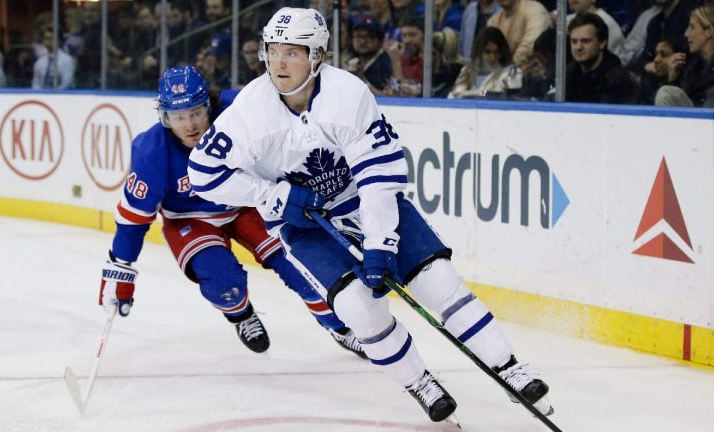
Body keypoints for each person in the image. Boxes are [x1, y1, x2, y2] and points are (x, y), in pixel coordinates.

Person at [187, 7, 553, 424]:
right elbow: (203, 174)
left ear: (318, 56)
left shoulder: (348, 94)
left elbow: (377, 176)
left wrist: (380, 243)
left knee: (439, 283)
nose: (280, 63)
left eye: (293, 52)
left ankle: (509, 368)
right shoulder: (250, 112)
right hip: (304, 224)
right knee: (359, 310)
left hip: (363, 200)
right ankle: (418, 381)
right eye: (273, 51)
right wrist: (274, 196)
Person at [99, 64, 366, 358]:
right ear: (164, 117)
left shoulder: (238, 111)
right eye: (178, 117)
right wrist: (120, 272)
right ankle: (241, 314)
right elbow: (133, 221)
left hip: (245, 206)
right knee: (224, 282)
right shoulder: (151, 153)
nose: (190, 125)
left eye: (196, 112)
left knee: (299, 266)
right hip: (190, 221)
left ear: (209, 105)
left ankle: (339, 328)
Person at [566, 12, 638, 103]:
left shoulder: (618, 80)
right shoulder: (568, 74)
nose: (578, 47)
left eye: (585, 41)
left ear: (602, 43)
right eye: (574, 41)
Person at [655, 5, 714, 107]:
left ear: (708, 31)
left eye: (692, 27)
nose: (686, 34)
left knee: (666, 93)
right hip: (696, 120)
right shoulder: (693, 65)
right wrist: (673, 78)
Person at [447, 26, 523, 98]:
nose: (492, 57)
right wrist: (462, 89)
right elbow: (455, 94)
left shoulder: (512, 73)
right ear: (479, 52)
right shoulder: (468, 71)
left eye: (497, 52)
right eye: (487, 52)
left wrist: (472, 93)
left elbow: (497, 95)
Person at [487, 0, 551, 65]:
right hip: (506, 71)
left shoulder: (535, 11)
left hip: (536, 71)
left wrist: (508, 71)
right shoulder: (494, 21)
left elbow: (529, 47)